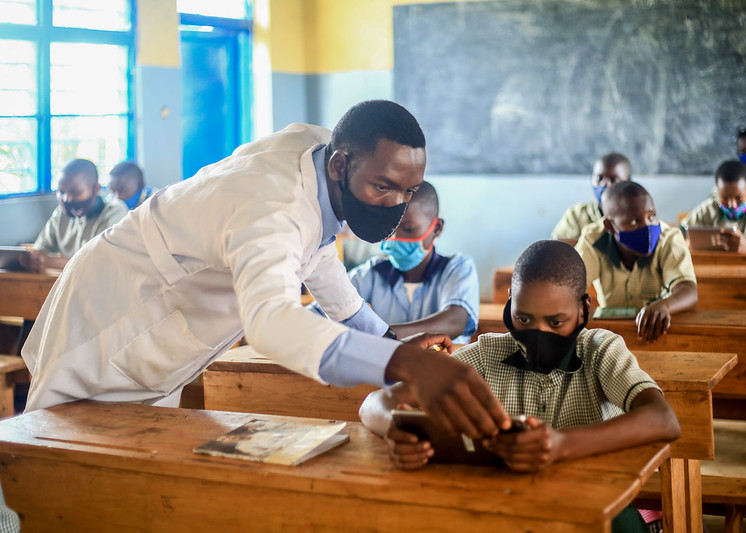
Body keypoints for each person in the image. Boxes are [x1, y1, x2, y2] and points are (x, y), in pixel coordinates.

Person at [22, 100, 510, 441]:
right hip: (117, 315)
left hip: (163, 320)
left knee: (133, 472)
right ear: (341, 167)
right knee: (61, 456)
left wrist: (384, 338)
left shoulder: (319, 153)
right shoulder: (272, 207)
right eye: (384, 187)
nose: (398, 206)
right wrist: (401, 364)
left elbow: (316, 252)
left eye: (409, 191)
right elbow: (271, 321)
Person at [359, 240, 680, 533]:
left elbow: (663, 420)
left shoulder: (599, 349)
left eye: (555, 322)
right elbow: (374, 403)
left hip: (596, 506)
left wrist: (560, 446)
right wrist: (393, 427)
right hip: (510, 508)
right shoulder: (487, 354)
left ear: (583, 310)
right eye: (524, 320)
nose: (537, 334)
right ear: (509, 304)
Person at [316, 181, 479, 344]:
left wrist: (384, 335)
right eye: (390, 229)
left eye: (408, 229)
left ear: (436, 228)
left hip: (442, 367)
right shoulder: (371, 274)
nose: (395, 238)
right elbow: (317, 313)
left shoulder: (457, 268)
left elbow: (455, 321)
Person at [574, 181, 698, 342]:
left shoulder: (668, 238)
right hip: (610, 333)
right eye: (633, 221)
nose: (647, 227)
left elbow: (688, 291)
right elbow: (572, 288)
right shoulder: (593, 238)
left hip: (656, 330)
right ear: (610, 226)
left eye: (651, 216)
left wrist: (663, 306)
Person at [21, 158, 127, 273]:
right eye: (61, 192)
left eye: (76, 193)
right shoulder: (61, 213)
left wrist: (51, 262)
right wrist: (36, 259)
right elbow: (41, 249)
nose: (67, 199)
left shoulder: (115, 212)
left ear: (96, 189)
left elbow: (100, 263)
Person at [551, 153, 632, 240]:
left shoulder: (636, 215)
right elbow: (556, 245)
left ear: (628, 182)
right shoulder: (577, 214)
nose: (604, 184)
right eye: (599, 178)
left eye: (613, 180)